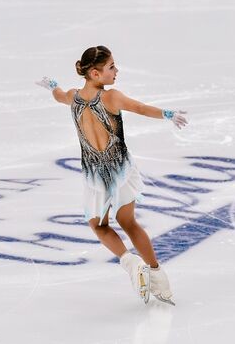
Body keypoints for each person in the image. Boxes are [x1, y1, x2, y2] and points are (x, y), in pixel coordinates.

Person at [35, 46, 187, 305]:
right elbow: (139, 108)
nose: (117, 71)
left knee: (99, 225)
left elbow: (58, 95)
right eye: (112, 67)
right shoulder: (111, 97)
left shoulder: (74, 97)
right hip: (120, 170)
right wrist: (168, 114)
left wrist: (52, 85)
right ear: (95, 73)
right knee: (129, 222)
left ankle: (130, 262)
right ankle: (157, 275)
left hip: (95, 174)